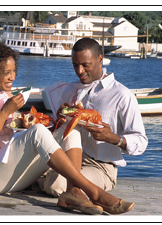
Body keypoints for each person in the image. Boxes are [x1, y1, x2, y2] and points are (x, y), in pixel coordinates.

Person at [0, 41, 135, 215]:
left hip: (7, 171)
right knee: (37, 132)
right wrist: (6, 111)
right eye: (6, 72)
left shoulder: (5, 94)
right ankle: (94, 191)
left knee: (69, 126)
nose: (12, 77)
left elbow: (12, 136)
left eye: (14, 71)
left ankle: (73, 191)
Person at [40, 38, 148, 211]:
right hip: (67, 156)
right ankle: (74, 192)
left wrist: (114, 138)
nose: (79, 71)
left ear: (100, 59)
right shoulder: (69, 90)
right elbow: (58, 131)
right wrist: (60, 118)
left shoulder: (122, 95)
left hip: (101, 166)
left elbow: (141, 142)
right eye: (75, 65)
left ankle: (59, 186)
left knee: (56, 185)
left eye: (85, 65)